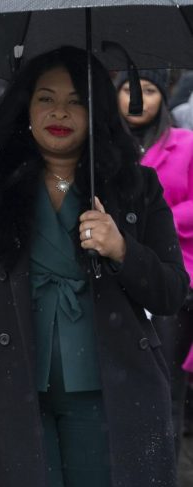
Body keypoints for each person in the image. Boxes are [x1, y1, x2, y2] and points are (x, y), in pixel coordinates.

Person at [0, 46, 188, 487]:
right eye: (45, 99)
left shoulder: (134, 186)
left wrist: (122, 250)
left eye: (76, 100)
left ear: (97, 110)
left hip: (108, 392)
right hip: (11, 385)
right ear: (25, 107)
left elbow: (172, 292)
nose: (59, 112)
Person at [115, 69, 193, 455]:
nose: (138, 99)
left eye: (148, 90)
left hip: (173, 269)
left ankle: (165, 461)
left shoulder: (186, 143)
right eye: (130, 89)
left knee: (165, 382)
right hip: (119, 271)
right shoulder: (104, 148)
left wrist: (160, 215)